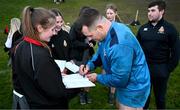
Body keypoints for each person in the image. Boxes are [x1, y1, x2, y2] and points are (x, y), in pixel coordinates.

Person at [78, 8, 150, 109]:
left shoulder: (119, 45)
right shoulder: (107, 31)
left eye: (90, 35)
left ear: (99, 28)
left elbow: (120, 80)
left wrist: (97, 77)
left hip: (134, 87)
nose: (89, 39)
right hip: (125, 82)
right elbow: (100, 53)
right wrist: (89, 65)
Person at [11, 6, 68, 109]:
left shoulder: (20, 45)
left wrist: (51, 73)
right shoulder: (40, 55)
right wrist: (79, 89)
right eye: (52, 29)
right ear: (40, 28)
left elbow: (20, 79)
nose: (55, 32)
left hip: (30, 102)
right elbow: (57, 92)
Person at [136, 1, 180, 109]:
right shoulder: (143, 29)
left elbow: (176, 52)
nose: (149, 13)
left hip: (161, 70)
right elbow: (137, 50)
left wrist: (167, 69)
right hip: (144, 70)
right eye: (148, 11)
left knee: (160, 98)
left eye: (153, 10)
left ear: (162, 11)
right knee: (144, 97)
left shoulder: (170, 29)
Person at [49, 8, 80, 101]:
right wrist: (59, 68)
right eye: (56, 22)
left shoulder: (66, 34)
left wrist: (72, 60)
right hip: (54, 72)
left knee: (65, 97)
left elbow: (71, 50)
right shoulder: (48, 37)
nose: (59, 24)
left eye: (61, 21)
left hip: (67, 71)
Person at [69, 6, 95, 105]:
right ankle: (80, 93)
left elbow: (93, 40)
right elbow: (72, 42)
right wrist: (85, 44)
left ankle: (86, 93)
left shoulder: (90, 26)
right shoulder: (75, 26)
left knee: (88, 73)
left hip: (88, 54)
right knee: (80, 73)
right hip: (78, 54)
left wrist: (92, 42)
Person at [104, 3, 123, 105]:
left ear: (116, 13)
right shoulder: (104, 26)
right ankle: (111, 88)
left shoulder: (120, 26)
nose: (109, 16)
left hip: (117, 53)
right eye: (107, 13)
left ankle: (112, 94)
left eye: (111, 13)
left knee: (115, 73)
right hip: (106, 53)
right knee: (107, 73)